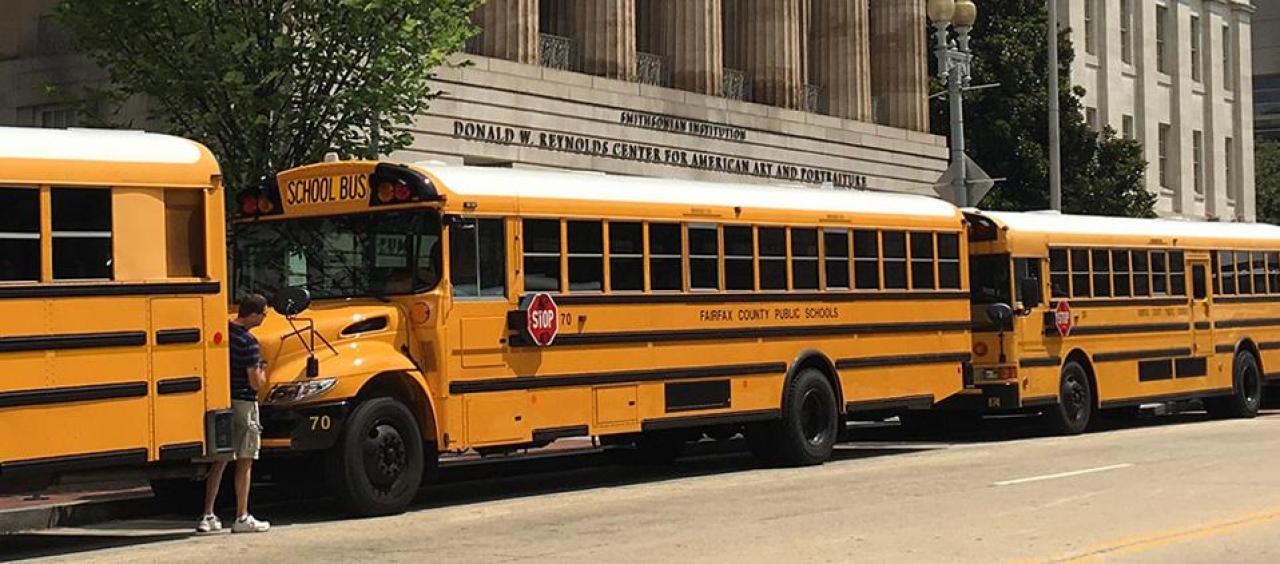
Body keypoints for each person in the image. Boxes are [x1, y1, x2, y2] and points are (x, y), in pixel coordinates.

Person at [197, 294, 271, 533]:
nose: (264, 318)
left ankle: (208, 514)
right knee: (245, 460)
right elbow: (255, 383)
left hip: (222, 400)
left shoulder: (225, 331)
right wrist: (263, 370)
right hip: (244, 403)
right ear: (253, 314)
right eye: (263, 314)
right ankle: (242, 515)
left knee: (220, 461)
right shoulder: (249, 342)